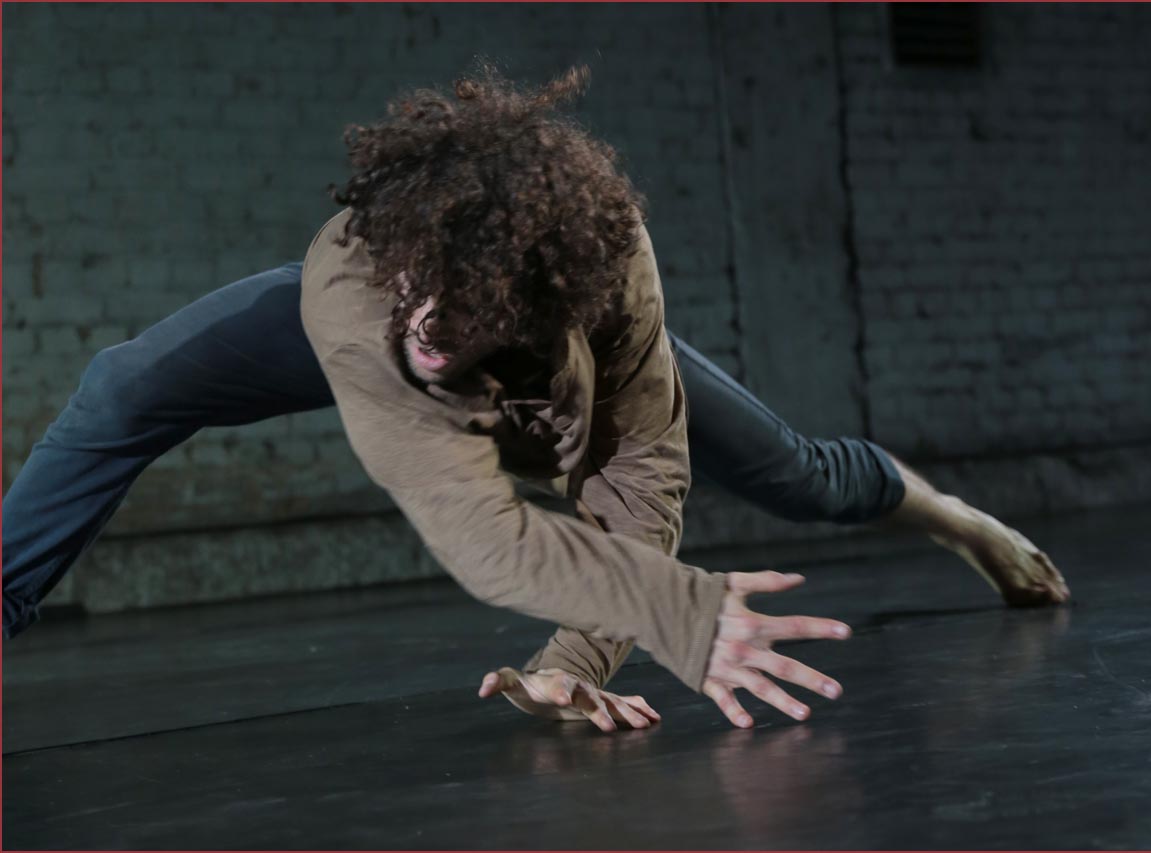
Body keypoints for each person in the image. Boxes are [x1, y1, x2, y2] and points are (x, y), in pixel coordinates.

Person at [1, 65, 1069, 733]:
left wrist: (574, 658)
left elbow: (638, 480)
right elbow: (479, 529)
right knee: (124, 385)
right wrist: (672, 609)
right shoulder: (368, 291)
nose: (432, 320)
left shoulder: (603, 287)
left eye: (464, 304)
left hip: (556, 372)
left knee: (795, 475)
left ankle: (955, 519)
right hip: (354, 345)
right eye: (425, 286)